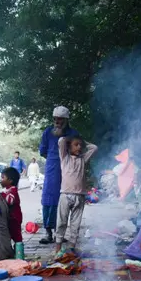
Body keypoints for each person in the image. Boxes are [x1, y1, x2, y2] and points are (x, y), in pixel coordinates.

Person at [39, 106, 80, 244]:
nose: (57, 121)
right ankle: (48, 232)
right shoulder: (47, 132)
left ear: (66, 120)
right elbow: (43, 151)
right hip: (52, 168)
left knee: (64, 199)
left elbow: (80, 150)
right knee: (48, 199)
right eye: (55, 119)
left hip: (68, 169)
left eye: (61, 119)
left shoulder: (73, 133)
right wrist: (54, 159)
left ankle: (60, 233)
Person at [55, 135, 97, 257]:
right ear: (68, 147)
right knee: (61, 222)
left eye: (80, 145)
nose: (79, 147)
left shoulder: (83, 159)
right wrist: (69, 140)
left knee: (76, 224)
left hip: (80, 196)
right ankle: (58, 248)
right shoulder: (64, 158)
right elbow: (61, 141)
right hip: (65, 195)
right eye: (76, 144)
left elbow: (94, 148)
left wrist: (83, 141)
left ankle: (71, 247)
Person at [1, 167, 23, 243]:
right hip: (10, 217)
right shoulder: (7, 189)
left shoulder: (13, 190)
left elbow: (10, 201)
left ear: (10, 181)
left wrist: (1, 196)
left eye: (3, 178)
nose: (1, 180)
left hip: (15, 218)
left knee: (16, 236)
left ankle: (19, 251)